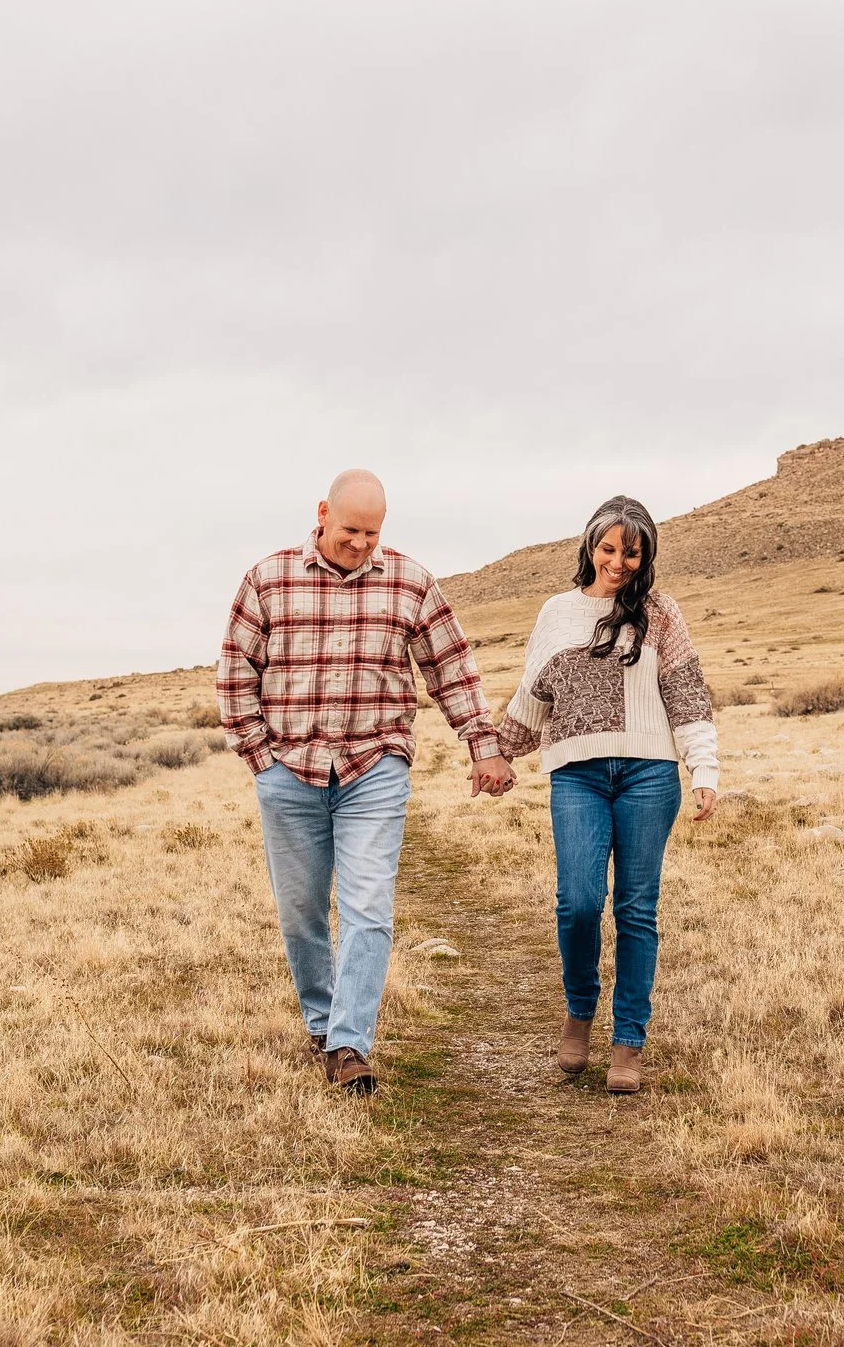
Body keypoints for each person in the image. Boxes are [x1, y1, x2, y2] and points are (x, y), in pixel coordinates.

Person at [217, 469, 514, 1093]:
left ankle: (350, 1046)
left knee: (368, 907)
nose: (360, 545)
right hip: (289, 771)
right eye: (350, 530)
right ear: (323, 513)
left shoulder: (409, 582)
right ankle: (323, 1022)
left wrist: (482, 745)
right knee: (301, 913)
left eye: (372, 534)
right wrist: (259, 756)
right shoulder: (268, 580)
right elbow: (235, 672)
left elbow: (451, 667)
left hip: (373, 767)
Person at [494, 495, 718, 1094]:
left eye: (632, 551)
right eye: (609, 548)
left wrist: (704, 769)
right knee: (579, 902)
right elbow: (532, 696)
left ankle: (628, 1042)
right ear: (590, 548)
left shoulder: (661, 613)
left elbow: (687, 694)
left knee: (636, 910)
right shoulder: (557, 612)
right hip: (577, 775)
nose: (619, 562)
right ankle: (579, 1011)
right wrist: (494, 752)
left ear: (646, 556)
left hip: (649, 774)